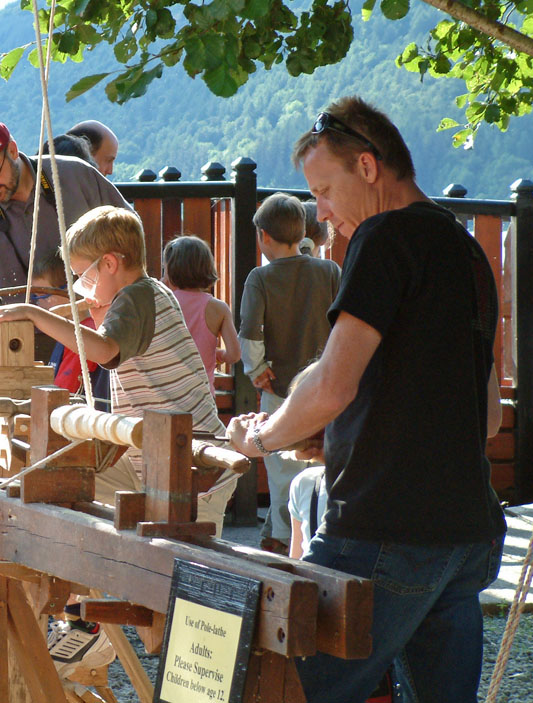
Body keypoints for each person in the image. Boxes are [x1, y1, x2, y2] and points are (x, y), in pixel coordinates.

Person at [227, 96, 506, 703]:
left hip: (384, 528)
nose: (319, 212)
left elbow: (333, 383)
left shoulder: (384, 236)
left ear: (369, 167)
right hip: (467, 533)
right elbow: (486, 417)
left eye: (324, 189)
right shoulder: (467, 251)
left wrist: (262, 439)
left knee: (279, 689)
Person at [0, 205, 238, 677]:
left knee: (194, 601)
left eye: (83, 273)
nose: (80, 284)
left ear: (110, 262)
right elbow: (91, 308)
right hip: (154, 457)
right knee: (68, 493)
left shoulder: (137, 300)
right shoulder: (145, 291)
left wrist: (31, 315)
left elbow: (103, 347)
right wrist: (53, 309)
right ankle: (86, 624)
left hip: (194, 470)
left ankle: (199, 676)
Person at [238, 192, 341, 555]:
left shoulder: (260, 278)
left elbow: (250, 330)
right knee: (324, 463)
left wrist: (256, 369)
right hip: (325, 387)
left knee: (283, 472)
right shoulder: (328, 270)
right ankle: (313, 530)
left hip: (281, 390)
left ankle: (284, 540)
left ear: (264, 236)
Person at [0, 118, 131, 301]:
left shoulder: (76, 175)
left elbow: (131, 234)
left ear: (12, 151)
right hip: (27, 329)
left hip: (103, 319)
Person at [31, 248, 111, 411]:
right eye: (35, 296)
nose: (39, 303)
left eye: (43, 295)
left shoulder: (82, 333)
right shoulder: (73, 330)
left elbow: (61, 395)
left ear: (69, 291)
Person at [162, 234, 241, 387]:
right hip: (202, 397)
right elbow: (234, 354)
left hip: (166, 394)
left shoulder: (163, 303)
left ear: (170, 270)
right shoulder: (218, 308)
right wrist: (219, 354)